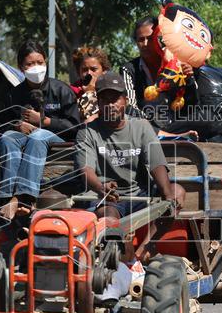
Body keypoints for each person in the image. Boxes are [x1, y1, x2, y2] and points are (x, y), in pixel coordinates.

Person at [75, 73, 184, 245]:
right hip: (106, 197)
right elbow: (86, 169)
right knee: (109, 217)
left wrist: (167, 195)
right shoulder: (87, 132)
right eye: (105, 99)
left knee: (177, 192)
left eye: (115, 98)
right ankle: (113, 261)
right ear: (98, 103)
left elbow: (156, 163)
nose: (110, 104)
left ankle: (146, 251)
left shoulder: (141, 126)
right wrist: (100, 187)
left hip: (139, 194)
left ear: (125, 100)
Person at [0, 40, 82, 219]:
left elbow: (75, 127)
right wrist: (17, 125)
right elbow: (0, 124)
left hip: (58, 144)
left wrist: (45, 121)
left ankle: (24, 198)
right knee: (9, 137)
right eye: (30, 64)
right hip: (23, 140)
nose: (36, 67)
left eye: (40, 62)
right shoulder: (13, 94)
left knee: (38, 135)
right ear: (21, 67)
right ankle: (7, 197)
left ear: (46, 62)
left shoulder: (61, 90)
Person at [71, 46, 111, 123]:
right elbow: (86, 122)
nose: (89, 73)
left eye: (94, 69)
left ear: (104, 70)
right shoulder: (71, 92)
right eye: (84, 70)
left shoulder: (111, 89)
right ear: (78, 71)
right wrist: (89, 93)